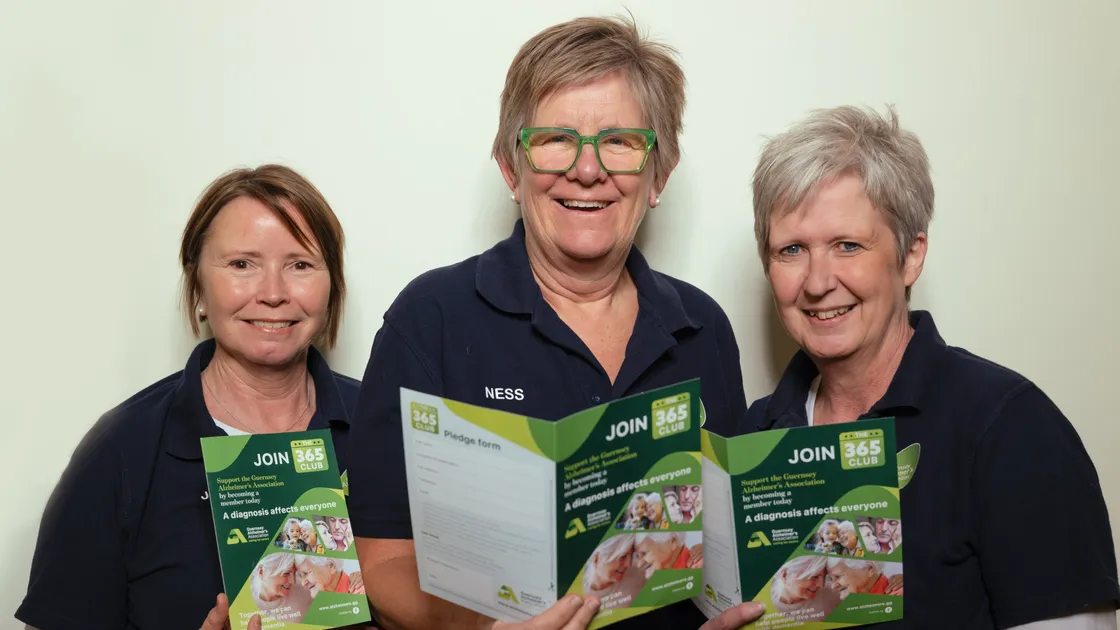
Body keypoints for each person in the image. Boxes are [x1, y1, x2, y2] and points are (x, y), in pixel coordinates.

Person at [347, 14, 762, 630]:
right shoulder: (429, 318)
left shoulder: (704, 327)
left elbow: (727, 553)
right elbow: (380, 560)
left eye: (620, 141)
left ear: (659, 175)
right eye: (556, 139)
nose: (587, 170)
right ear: (512, 169)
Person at [745, 105, 1119, 628]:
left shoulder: (1008, 427)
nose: (816, 281)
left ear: (911, 256)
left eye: (848, 245)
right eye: (791, 250)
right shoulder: (749, 442)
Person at [14, 165, 360, 630]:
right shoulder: (122, 449)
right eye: (242, 264)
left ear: (332, 286)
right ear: (198, 288)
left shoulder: (384, 426)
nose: (274, 293)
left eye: (300, 265)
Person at [770, 556, 840, 621]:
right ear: (785, 575)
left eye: (824, 576)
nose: (821, 585)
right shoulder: (766, 603)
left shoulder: (833, 592)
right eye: (814, 577)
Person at [252, 552, 314, 623]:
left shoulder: (306, 589)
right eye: (286, 573)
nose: (293, 581)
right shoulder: (246, 604)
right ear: (261, 572)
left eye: (294, 573)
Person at [825, 558, 901, 599]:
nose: (833, 586)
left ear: (870, 569)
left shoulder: (897, 595)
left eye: (838, 577)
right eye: (830, 579)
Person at [296, 556, 367, 597]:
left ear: (331, 565)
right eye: (300, 576)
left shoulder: (360, 591)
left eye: (306, 573)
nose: (303, 583)